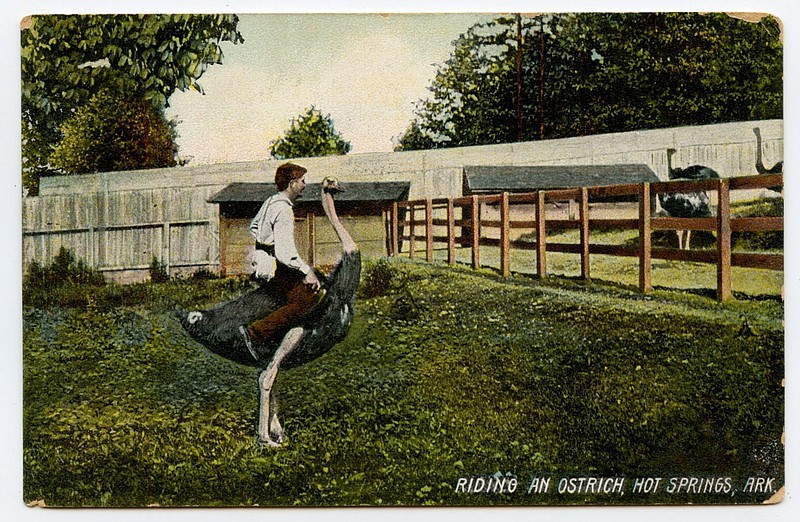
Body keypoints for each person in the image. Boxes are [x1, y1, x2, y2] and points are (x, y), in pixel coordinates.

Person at [240, 162, 324, 357]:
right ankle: (256, 334)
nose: (305, 185)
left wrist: (264, 244)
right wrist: (307, 271)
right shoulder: (285, 210)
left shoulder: (271, 201)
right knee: (306, 300)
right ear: (292, 183)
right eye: (302, 181)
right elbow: (286, 254)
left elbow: (253, 227)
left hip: (263, 260)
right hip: (276, 265)